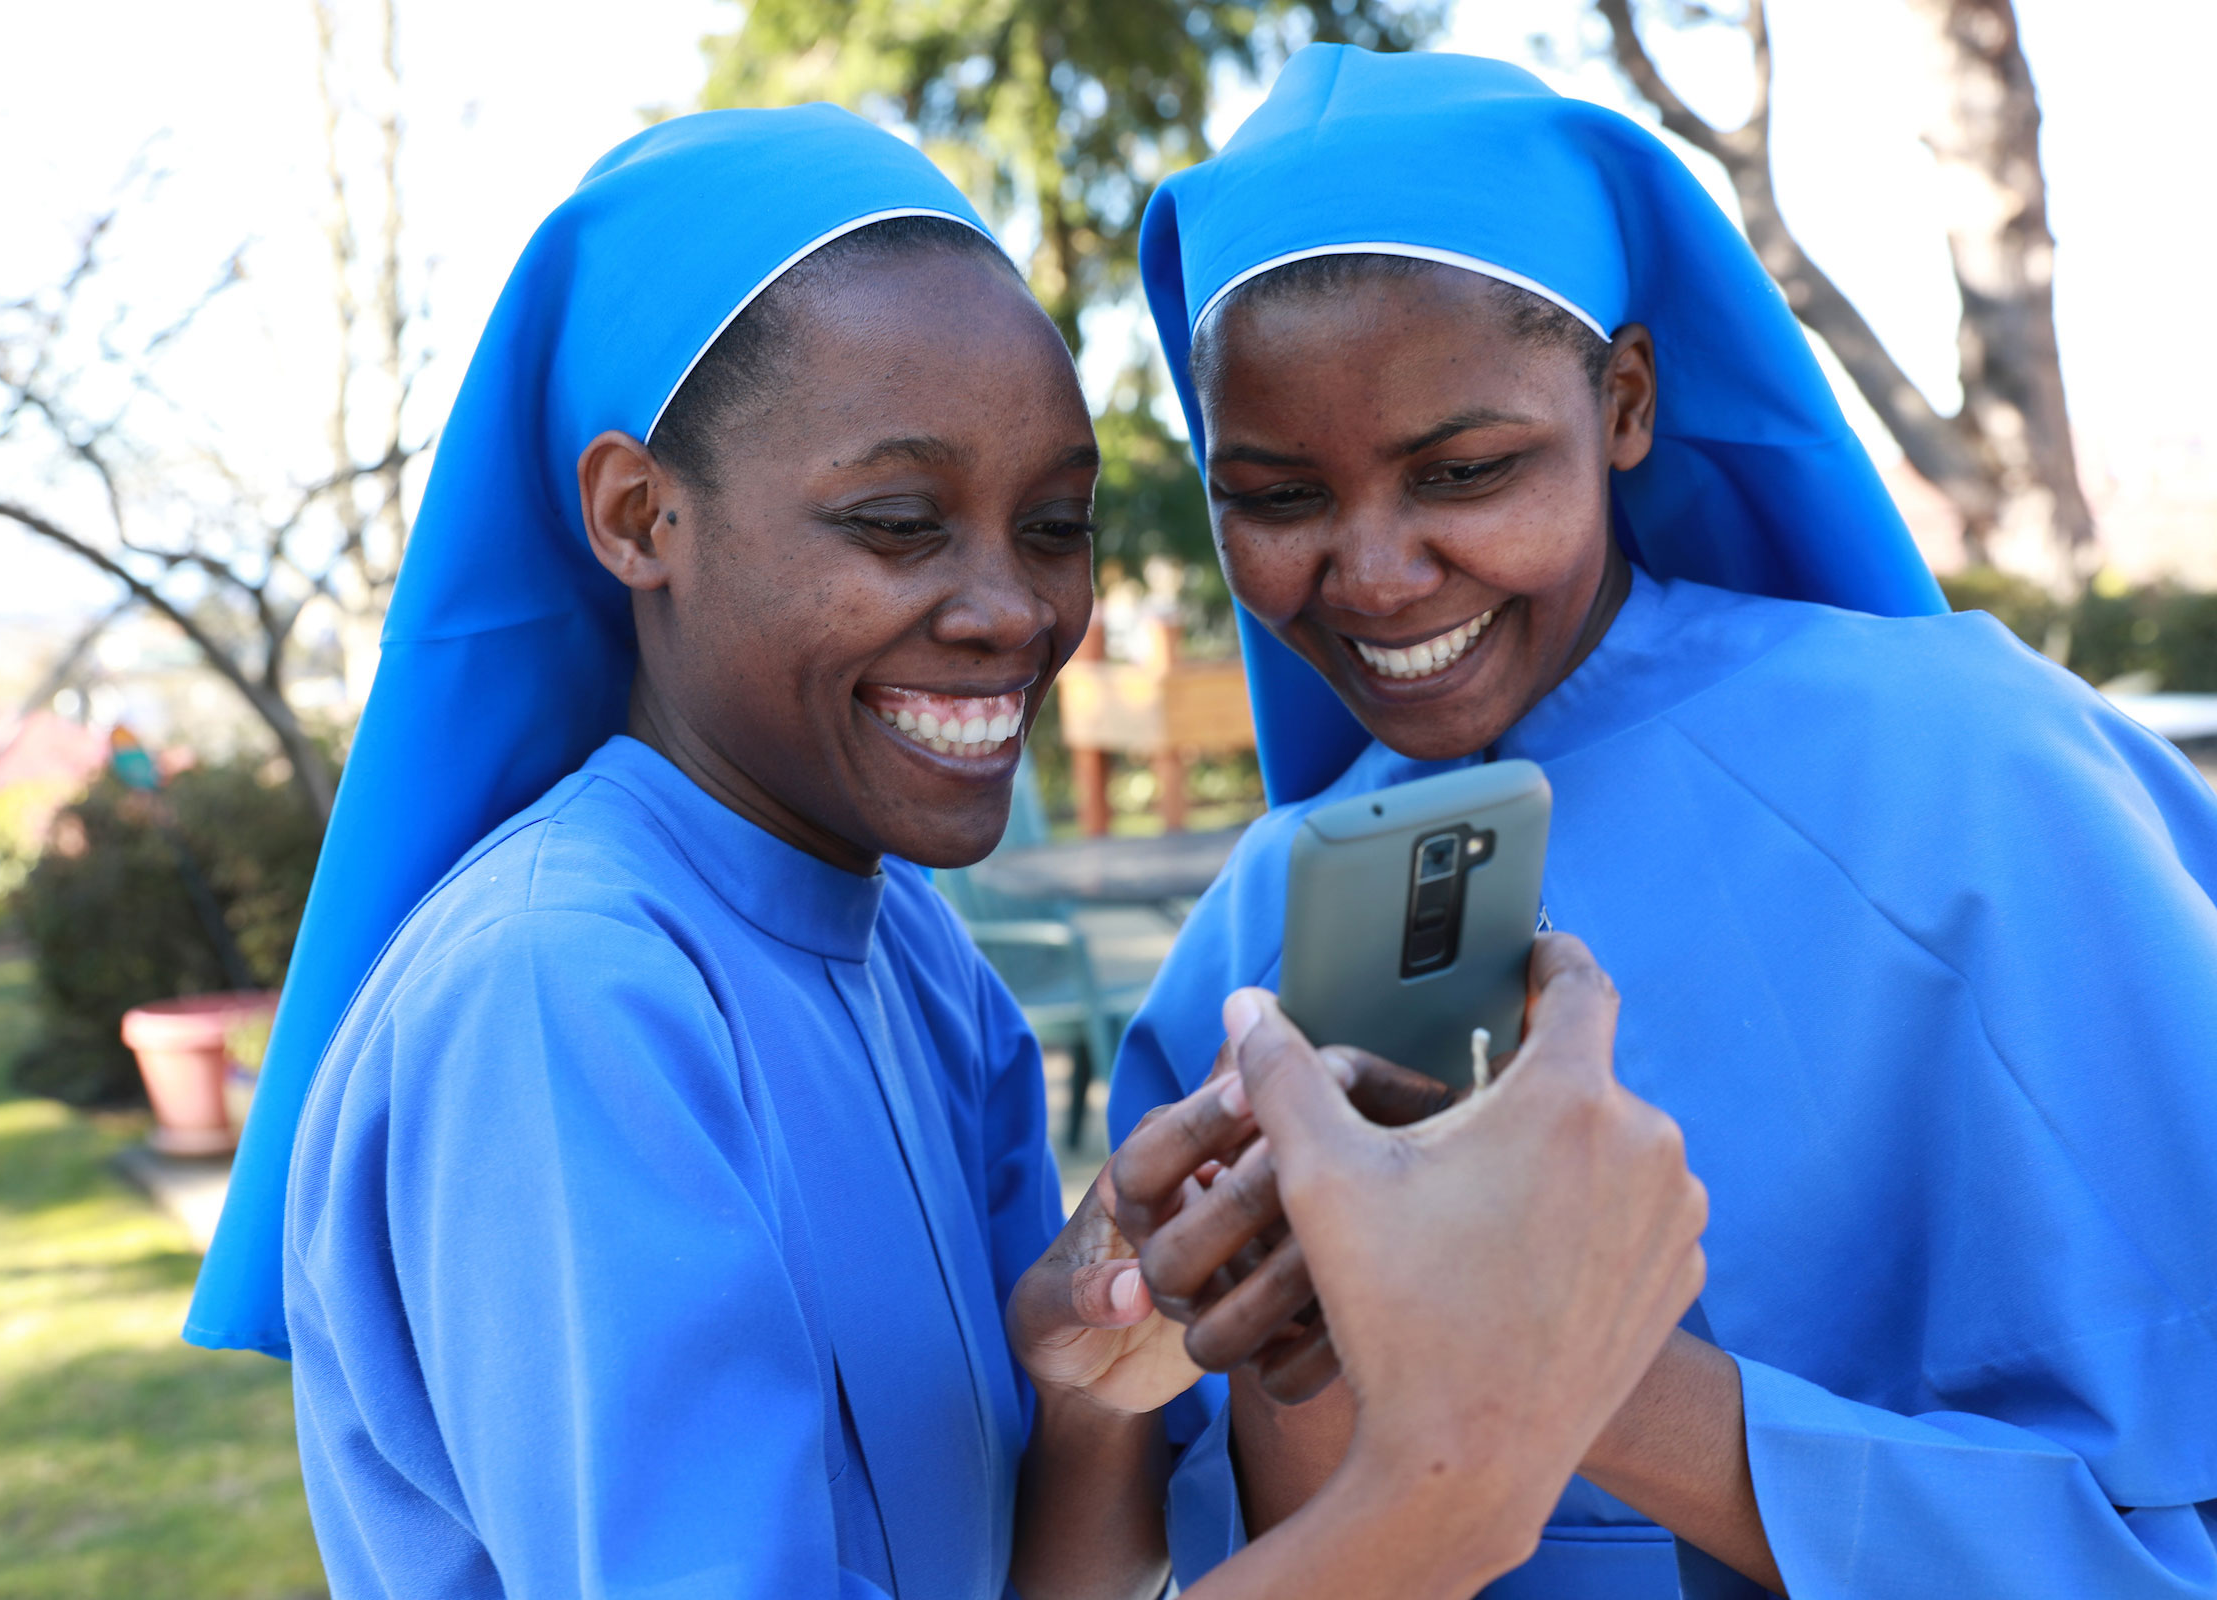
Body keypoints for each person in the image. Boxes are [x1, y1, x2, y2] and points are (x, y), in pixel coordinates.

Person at [178, 103, 1706, 1600]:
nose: (1011, 610)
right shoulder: (563, 997)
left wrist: (1099, 1391)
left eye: (1055, 527)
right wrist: (1459, 1490)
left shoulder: (918, 959)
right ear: (641, 515)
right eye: (902, 522)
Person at [1110, 46, 2217, 1600]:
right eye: (1278, 498)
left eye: (1468, 470)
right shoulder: (1257, 926)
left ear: (1624, 401)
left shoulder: (1974, 778)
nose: (1370, 575)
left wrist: (1578, 1375)